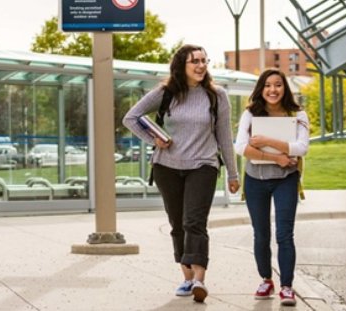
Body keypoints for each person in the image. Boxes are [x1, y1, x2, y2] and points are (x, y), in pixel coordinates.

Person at [122, 44, 240, 303]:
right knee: (177, 223)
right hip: (167, 167)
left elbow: (224, 135)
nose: (201, 65)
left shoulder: (216, 95)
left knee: (194, 221)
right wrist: (154, 139)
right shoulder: (165, 93)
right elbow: (131, 118)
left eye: (204, 60)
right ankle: (187, 278)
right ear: (181, 65)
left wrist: (233, 174)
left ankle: (199, 279)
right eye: (194, 61)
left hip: (203, 165)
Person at [233, 69, 310, 306]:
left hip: (285, 180)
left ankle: (287, 286)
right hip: (255, 180)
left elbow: (301, 148)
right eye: (267, 85)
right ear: (261, 89)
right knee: (261, 233)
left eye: (278, 85)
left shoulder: (298, 114)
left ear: (285, 88)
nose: (273, 90)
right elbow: (241, 147)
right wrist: (277, 157)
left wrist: (266, 141)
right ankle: (266, 280)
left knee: (284, 234)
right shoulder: (250, 113)